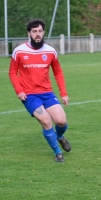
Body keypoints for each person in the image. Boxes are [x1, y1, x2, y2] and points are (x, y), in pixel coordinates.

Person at [8, 19, 71, 162]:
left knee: (61, 121)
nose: (38, 34)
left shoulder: (50, 51)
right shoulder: (19, 51)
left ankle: (60, 137)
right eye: (34, 31)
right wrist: (19, 90)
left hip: (47, 93)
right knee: (46, 121)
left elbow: (58, 72)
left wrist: (64, 93)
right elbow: (12, 72)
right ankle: (57, 153)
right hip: (29, 95)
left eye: (40, 31)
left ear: (43, 32)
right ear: (29, 33)